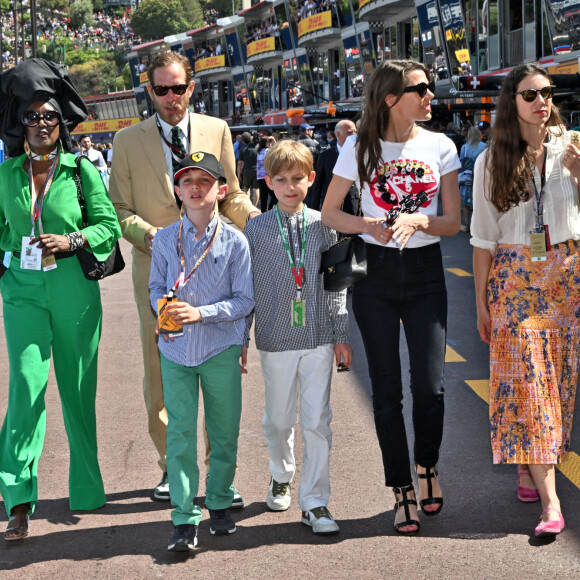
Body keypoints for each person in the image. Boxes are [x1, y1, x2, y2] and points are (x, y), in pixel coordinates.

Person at [109, 50, 258, 504]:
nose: (171, 97)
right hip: (156, 270)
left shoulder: (217, 130)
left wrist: (261, 224)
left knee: (219, 370)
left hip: (214, 269)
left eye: (179, 87)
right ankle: (171, 469)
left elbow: (232, 195)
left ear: (191, 87)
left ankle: (218, 476)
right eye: (161, 89)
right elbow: (120, 210)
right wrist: (149, 235)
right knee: (159, 373)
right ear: (149, 91)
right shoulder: (127, 140)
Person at [321, 59, 461, 535]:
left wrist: (419, 220)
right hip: (374, 276)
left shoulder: (441, 145)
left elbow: (452, 223)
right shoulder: (359, 147)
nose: (429, 96)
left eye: (429, 87)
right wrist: (370, 225)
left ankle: (427, 465)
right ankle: (401, 488)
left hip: (425, 272)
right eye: (419, 89)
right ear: (390, 98)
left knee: (430, 387)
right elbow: (329, 214)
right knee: (385, 390)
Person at [0, 58, 122, 541]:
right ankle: (18, 499)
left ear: (61, 123)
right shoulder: (6, 174)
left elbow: (109, 226)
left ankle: (87, 491)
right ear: (21, 124)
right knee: (25, 390)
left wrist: (71, 241)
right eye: (32, 117)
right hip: (23, 293)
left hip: (75, 289)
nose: (41, 124)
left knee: (77, 391)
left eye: (49, 116)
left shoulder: (80, 170)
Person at [471, 63, 580, 538]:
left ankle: (529, 461)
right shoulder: (490, 160)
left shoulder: (571, 149)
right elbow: (481, 241)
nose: (541, 101)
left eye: (547, 93)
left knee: (558, 382)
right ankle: (552, 506)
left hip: (567, 274)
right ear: (510, 101)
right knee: (532, 386)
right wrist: (480, 304)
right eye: (530, 94)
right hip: (515, 279)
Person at [245, 140, 352, 535]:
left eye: (297, 179)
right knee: (278, 420)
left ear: (311, 179)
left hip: (319, 335)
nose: (290, 187)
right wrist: (242, 338)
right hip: (274, 337)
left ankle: (316, 502)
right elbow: (246, 289)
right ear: (269, 182)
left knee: (318, 421)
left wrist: (341, 334)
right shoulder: (254, 229)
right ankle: (281, 473)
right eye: (281, 180)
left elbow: (337, 284)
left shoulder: (324, 225)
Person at [149, 152, 254, 552]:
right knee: (179, 435)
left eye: (204, 181)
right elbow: (156, 286)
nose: (195, 188)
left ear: (221, 190)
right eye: (187, 181)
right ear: (177, 190)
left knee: (223, 432)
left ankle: (220, 501)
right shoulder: (163, 238)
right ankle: (183, 517)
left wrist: (201, 313)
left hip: (219, 348)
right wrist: (165, 307)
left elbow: (244, 300)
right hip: (175, 349)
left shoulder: (235, 241)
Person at [307, 119, 358, 213]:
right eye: (350, 132)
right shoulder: (325, 156)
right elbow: (317, 186)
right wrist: (314, 212)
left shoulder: (361, 154)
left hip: (356, 209)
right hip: (333, 208)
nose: (354, 135)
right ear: (338, 134)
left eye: (356, 132)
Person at [458, 126, 486, 232]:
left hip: (467, 176)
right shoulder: (484, 146)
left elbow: (461, 161)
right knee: (478, 201)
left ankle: (467, 225)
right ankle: (477, 225)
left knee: (466, 202)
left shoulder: (464, 147)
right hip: (480, 176)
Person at [256, 134, 276, 212]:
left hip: (259, 177)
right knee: (274, 196)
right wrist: (274, 141)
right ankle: (270, 210)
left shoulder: (258, 151)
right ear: (265, 143)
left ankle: (263, 213)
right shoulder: (268, 151)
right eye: (269, 141)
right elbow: (278, 150)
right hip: (267, 176)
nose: (270, 143)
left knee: (263, 197)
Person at [237, 131, 258, 205]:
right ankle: (255, 206)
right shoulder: (256, 147)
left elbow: (239, 163)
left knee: (246, 189)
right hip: (256, 171)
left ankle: (248, 206)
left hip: (247, 171)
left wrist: (239, 175)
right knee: (256, 189)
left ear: (243, 140)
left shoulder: (242, 149)